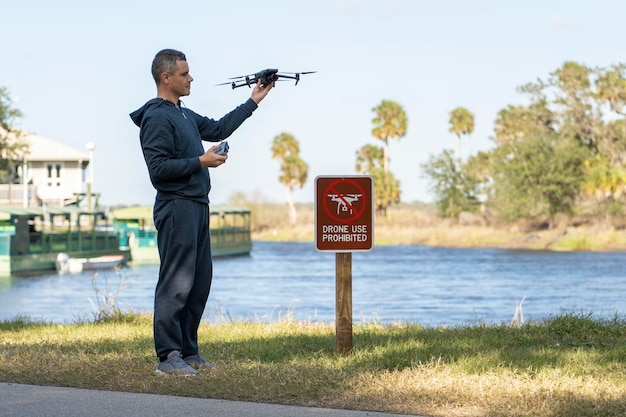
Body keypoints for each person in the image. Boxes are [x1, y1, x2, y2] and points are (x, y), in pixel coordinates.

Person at [129, 49, 272, 376]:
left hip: (197, 205)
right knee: (175, 284)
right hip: (176, 207)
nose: (191, 78)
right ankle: (168, 358)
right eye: (184, 73)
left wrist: (255, 100)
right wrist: (200, 161)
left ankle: (189, 352)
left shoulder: (184, 114)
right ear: (166, 78)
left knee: (198, 283)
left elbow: (220, 127)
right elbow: (158, 170)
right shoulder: (156, 117)